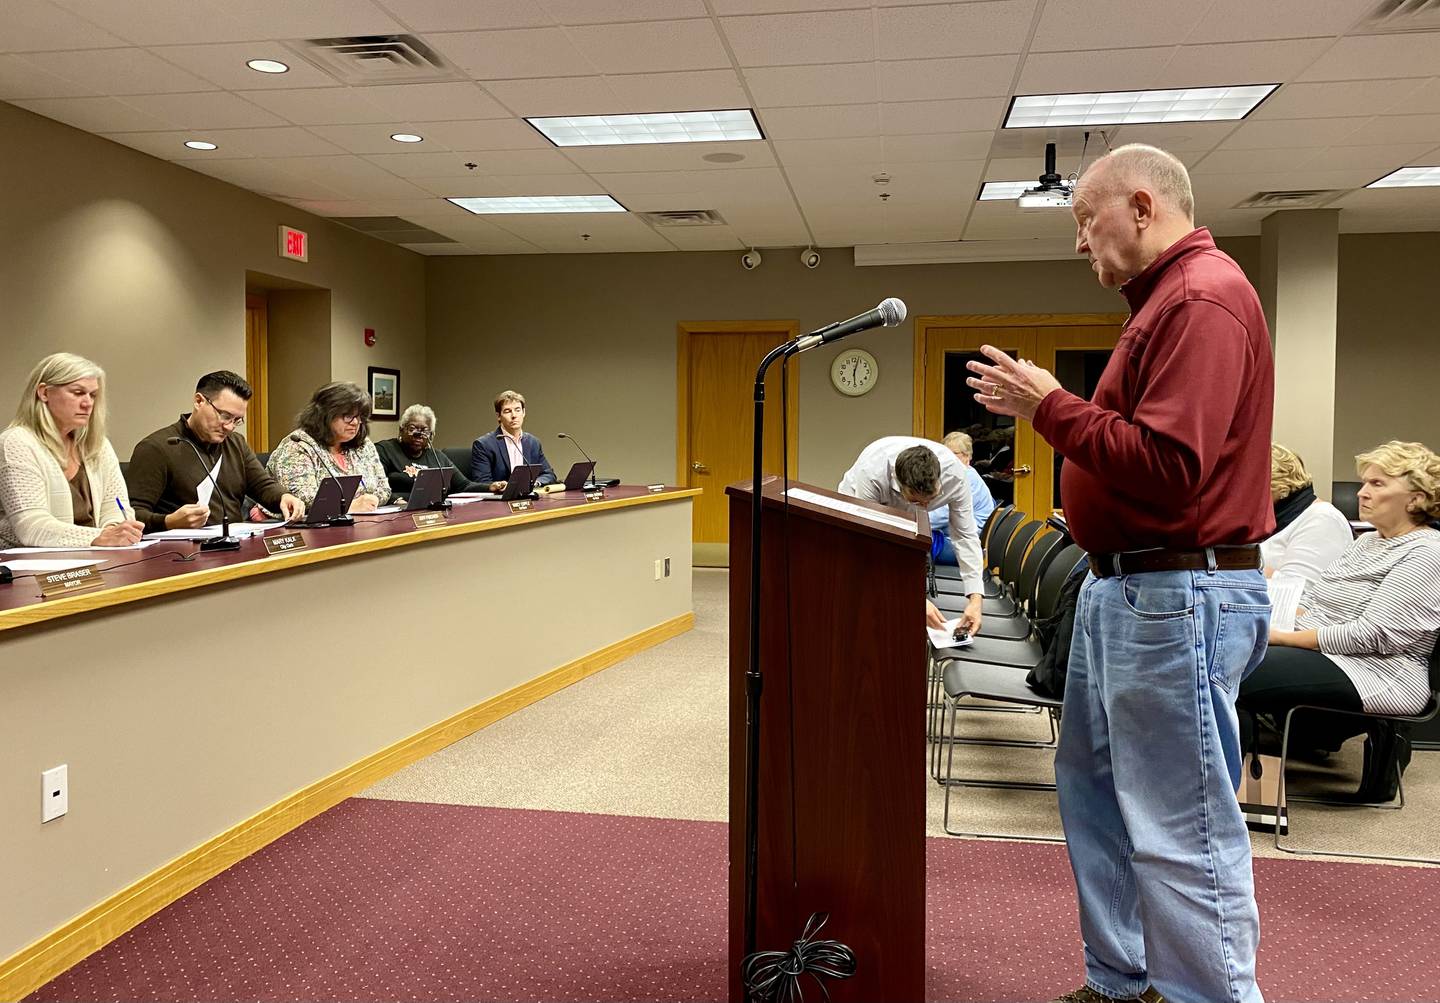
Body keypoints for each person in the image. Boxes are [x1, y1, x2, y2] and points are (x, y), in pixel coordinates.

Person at [966, 144, 1274, 1003]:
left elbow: (1173, 467)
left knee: (1184, 826)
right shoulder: (1161, 305)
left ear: (1141, 207)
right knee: (1097, 801)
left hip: (1176, 592)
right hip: (1127, 589)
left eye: (1083, 219)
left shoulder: (1202, 298)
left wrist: (1049, 408)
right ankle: (1124, 980)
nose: (1077, 242)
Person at [1240, 441, 1440, 792]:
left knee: (1231, 669)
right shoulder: (1368, 542)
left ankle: (1230, 793)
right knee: (1224, 654)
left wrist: (1280, 637)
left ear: (1416, 498)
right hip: (1333, 656)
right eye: (1364, 483)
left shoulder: (1426, 553)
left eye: (1377, 484)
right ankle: (1237, 788)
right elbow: (1317, 601)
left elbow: (1374, 634)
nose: (1362, 493)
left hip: (1379, 672)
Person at [839, 436, 984, 634]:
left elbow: (965, 536)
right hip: (860, 507)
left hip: (905, 509)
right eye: (916, 501)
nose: (925, 508)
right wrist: (914, 598)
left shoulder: (956, 475)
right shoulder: (872, 472)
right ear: (899, 484)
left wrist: (975, 599)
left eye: (931, 500)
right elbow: (869, 543)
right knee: (866, 579)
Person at [126, 371, 305, 532]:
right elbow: (132, 514)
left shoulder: (236, 443)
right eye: (225, 416)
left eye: (237, 420)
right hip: (181, 554)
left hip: (235, 543)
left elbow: (262, 486)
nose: (229, 427)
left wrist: (283, 497)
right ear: (199, 401)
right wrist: (168, 521)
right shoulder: (156, 448)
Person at [0, 353, 144, 549]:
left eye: (92, 395)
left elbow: (116, 506)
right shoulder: (16, 443)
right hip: (30, 568)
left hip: (95, 560)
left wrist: (117, 532)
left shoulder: (98, 445)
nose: (87, 403)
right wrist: (101, 537)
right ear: (44, 393)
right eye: (77, 393)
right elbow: (32, 527)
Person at [266, 382, 390, 513]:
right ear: (325, 414)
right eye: (348, 416)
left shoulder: (364, 445)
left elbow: (384, 489)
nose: (355, 423)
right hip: (301, 528)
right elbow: (301, 498)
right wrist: (348, 507)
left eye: (359, 417)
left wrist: (372, 501)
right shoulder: (298, 445)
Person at [1261, 443, 1352, 587]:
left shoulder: (1322, 519)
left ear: (1279, 488)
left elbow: (1301, 590)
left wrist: (1245, 569)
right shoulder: (1269, 519)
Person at [376, 404, 481, 497]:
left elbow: (464, 485)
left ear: (431, 435)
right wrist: (396, 500)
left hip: (434, 512)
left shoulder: (437, 457)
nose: (418, 435)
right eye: (412, 429)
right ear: (401, 429)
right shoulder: (385, 450)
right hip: (397, 513)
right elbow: (374, 489)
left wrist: (492, 487)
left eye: (425, 431)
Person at [930, 430, 996, 565]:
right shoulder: (961, 473)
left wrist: (910, 520)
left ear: (967, 456)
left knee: (910, 544)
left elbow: (941, 516)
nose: (945, 458)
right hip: (956, 538)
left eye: (952, 453)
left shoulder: (965, 478)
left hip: (965, 547)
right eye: (943, 453)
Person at [470, 390, 555, 492]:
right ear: (498, 416)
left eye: (517, 410)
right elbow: (481, 482)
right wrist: (499, 486)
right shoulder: (484, 445)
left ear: (523, 413)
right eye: (507, 411)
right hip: (498, 502)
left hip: (527, 499)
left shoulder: (533, 442)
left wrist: (534, 483)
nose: (514, 415)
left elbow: (548, 474)